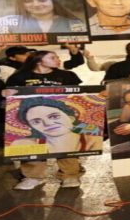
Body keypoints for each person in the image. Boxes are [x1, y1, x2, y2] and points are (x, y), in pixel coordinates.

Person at [5, 51, 84, 190]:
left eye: (57, 57)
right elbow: (10, 97)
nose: (58, 59)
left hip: (60, 117)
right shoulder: (19, 77)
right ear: (38, 61)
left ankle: (70, 175)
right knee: (32, 146)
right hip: (34, 119)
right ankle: (32, 176)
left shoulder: (67, 75)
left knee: (67, 145)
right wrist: (5, 93)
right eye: (53, 57)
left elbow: (80, 95)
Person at [10, 97, 102, 153]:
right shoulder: (24, 144)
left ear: (71, 118)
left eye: (54, 116)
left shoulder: (94, 142)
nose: (48, 123)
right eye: (36, 121)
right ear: (31, 126)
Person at [0, 0, 86, 34]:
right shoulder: (8, 21)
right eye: (28, 1)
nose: (36, 5)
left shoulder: (74, 23)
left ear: (54, 2)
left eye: (42, 0)